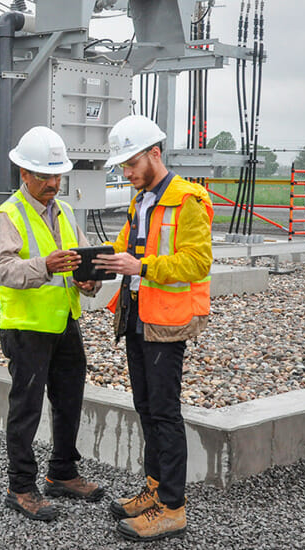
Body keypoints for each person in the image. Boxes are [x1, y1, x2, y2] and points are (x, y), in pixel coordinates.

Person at [93, 115, 213, 542]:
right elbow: (125, 247)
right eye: (122, 165)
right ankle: (155, 490)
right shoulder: (141, 200)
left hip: (167, 322)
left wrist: (141, 266)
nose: (125, 172)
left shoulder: (188, 202)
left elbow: (197, 263)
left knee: (164, 413)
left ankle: (173, 508)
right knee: (146, 409)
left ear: (154, 154)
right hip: (138, 316)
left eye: (130, 163)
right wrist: (95, 269)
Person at [0, 126, 106, 522]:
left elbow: (78, 261)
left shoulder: (67, 212)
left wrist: (87, 281)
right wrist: (45, 266)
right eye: (45, 176)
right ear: (24, 173)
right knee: (27, 409)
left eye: (58, 176)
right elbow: (1, 268)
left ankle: (62, 474)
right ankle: (20, 487)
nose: (54, 183)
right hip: (26, 327)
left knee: (69, 401)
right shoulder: (9, 215)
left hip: (65, 321)